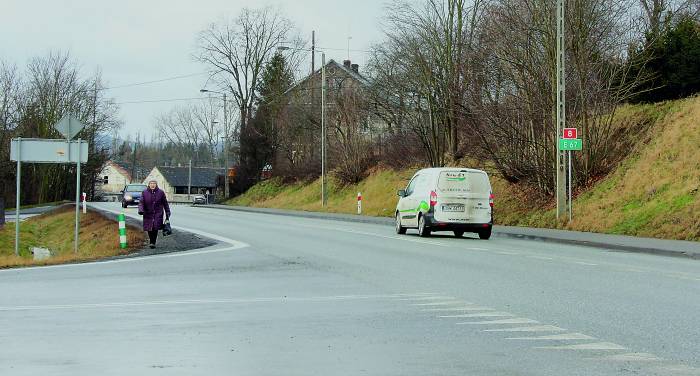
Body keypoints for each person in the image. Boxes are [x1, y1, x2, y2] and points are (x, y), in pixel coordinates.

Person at [138, 180, 171, 249]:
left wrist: (167, 211)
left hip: (158, 213)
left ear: (156, 185)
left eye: (154, 183)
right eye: (151, 183)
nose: (152, 185)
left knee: (155, 227)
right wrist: (141, 210)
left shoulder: (161, 192)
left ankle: (153, 242)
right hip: (148, 213)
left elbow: (165, 203)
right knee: (149, 228)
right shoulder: (144, 192)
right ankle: (151, 240)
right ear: (149, 185)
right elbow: (141, 202)